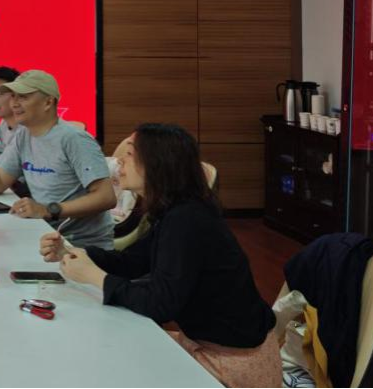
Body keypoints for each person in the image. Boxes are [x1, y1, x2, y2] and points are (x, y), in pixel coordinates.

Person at [40, 124, 280, 388]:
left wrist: (95, 276)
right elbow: (132, 262)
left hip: (233, 360)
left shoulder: (187, 219)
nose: (119, 161)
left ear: (157, 163)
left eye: (130, 154)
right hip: (206, 341)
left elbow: (160, 303)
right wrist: (75, 253)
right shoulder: (175, 211)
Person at [0, 69, 115, 249]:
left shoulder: (74, 139)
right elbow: (0, 180)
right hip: (44, 234)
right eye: (13, 96)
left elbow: (106, 197)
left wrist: (48, 210)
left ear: (48, 102)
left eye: (23, 97)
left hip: (80, 245)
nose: (14, 104)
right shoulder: (24, 135)